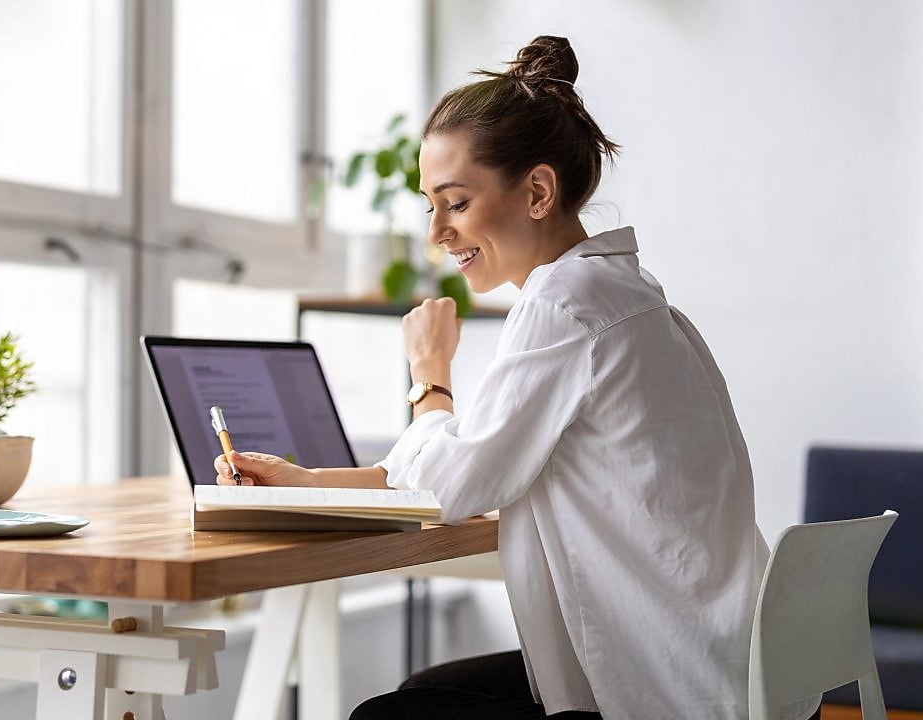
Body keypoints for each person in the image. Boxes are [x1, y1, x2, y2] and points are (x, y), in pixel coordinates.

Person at [215, 36, 818, 720]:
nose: (438, 231)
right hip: (727, 667)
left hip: (673, 690)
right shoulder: (625, 294)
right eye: (429, 206)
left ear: (536, 191)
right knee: (421, 695)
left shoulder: (564, 306)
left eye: (457, 202)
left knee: (392, 714)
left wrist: (427, 373)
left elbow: (450, 483)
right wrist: (309, 484)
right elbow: (472, 459)